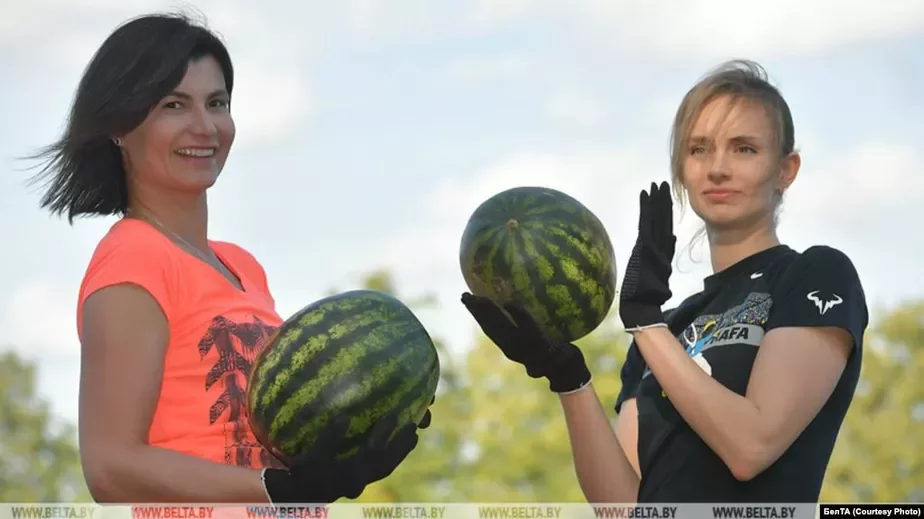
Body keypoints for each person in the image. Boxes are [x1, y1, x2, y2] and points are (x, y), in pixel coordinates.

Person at [29, 13, 431, 504]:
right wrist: (277, 488)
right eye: (174, 105)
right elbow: (110, 468)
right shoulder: (132, 259)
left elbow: (279, 434)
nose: (205, 127)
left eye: (216, 103)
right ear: (119, 125)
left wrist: (355, 429)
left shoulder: (243, 267)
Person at [462, 59, 867, 504]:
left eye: (744, 149)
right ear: (681, 169)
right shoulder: (663, 331)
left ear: (786, 169)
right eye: (698, 149)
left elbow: (751, 447)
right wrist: (569, 378)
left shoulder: (815, 275)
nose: (717, 168)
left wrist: (644, 324)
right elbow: (622, 507)